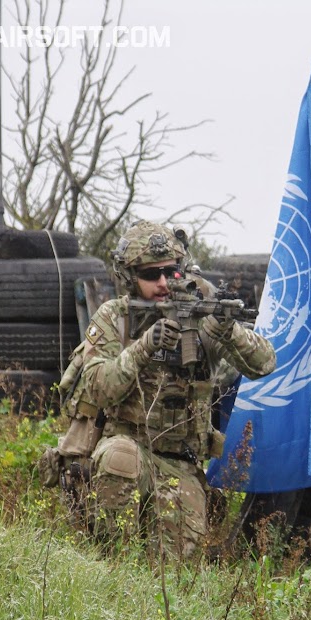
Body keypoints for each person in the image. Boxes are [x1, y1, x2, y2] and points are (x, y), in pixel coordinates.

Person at [44, 221, 276, 557]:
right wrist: (143, 348)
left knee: (176, 570)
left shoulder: (199, 312)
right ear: (129, 277)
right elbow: (97, 389)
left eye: (170, 271)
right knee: (120, 459)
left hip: (181, 462)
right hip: (128, 444)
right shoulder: (116, 318)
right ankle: (110, 564)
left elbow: (264, 364)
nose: (164, 282)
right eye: (151, 275)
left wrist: (228, 331)